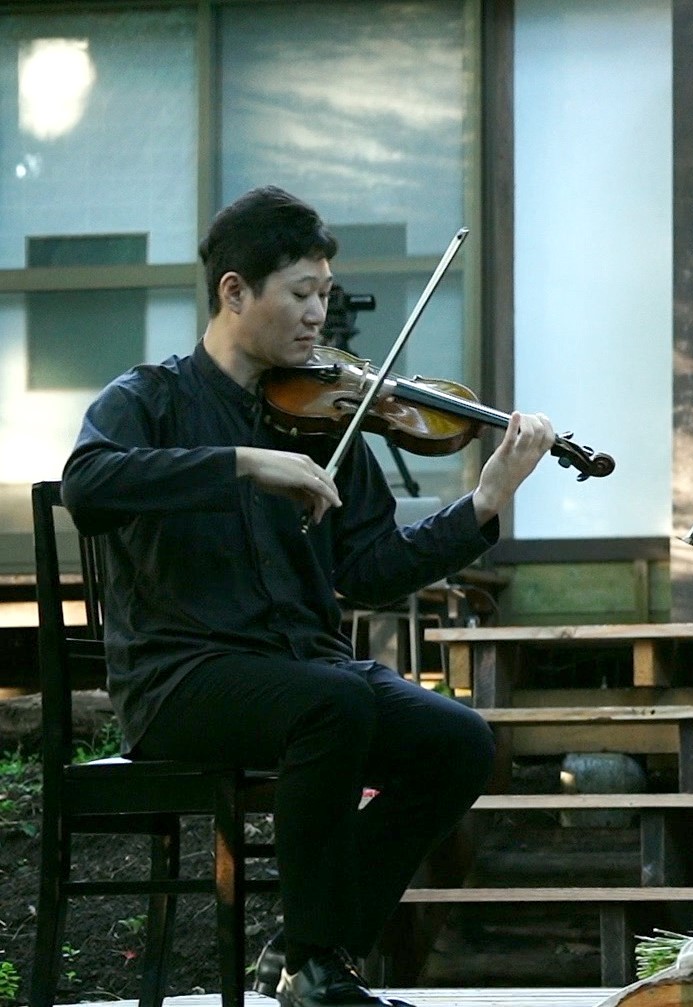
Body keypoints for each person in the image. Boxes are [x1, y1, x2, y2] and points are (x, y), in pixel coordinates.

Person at [61, 186, 556, 1007]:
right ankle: (318, 967)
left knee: (458, 739)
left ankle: (302, 941)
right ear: (233, 292)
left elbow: (368, 569)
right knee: (330, 703)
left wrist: (482, 504)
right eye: (300, 293)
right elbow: (88, 485)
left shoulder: (325, 418)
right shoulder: (147, 398)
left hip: (301, 670)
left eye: (324, 293)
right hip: (182, 677)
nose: (317, 313)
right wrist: (242, 462)